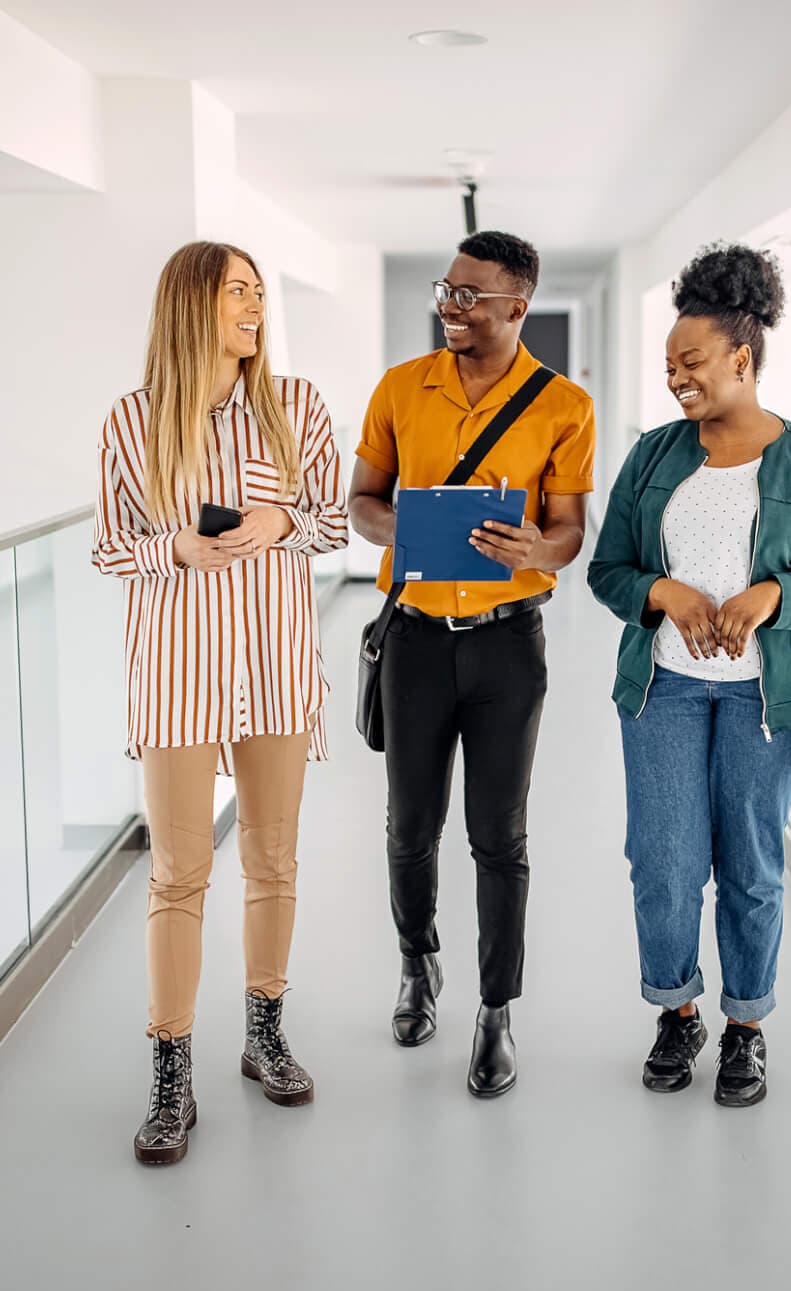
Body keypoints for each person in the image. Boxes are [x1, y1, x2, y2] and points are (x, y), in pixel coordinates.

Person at [586, 242, 791, 1106]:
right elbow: (609, 573)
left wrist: (770, 599)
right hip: (663, 690)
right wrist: (664, 591)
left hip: (766, 697)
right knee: (664, 863)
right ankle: (677, 1015)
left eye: (693, 361)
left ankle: (746, 1027)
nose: (677, 378)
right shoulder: (652, 456)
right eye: (670, 363)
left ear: (742, 359)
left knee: (750, 868)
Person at [92, 241, 348, 1164]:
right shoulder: (134, 421)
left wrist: (281, 520)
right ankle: (170, 1075)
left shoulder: (297, 410)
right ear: (192, 304)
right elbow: (109, 545)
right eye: (237, 291)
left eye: (258, 293)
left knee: (273, 859)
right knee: (179, 872)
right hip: (179, 673)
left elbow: (334, 520)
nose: (254, 306)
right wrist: (176, 551)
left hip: (275, 667)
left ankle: (264, 1035)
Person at [349, 230, 596, 1098]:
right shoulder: (398, 389)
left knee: (500, 837)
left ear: (515, 307)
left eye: (469, 295)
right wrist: (407, 526)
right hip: (414, 639)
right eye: (445, 291)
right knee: (409, 829)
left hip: (506, 643)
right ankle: (419, 967)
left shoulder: (564, 405)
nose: (450, 306)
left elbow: (568, 532)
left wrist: (540, 543)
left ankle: (497, 1011)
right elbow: (361, 505)